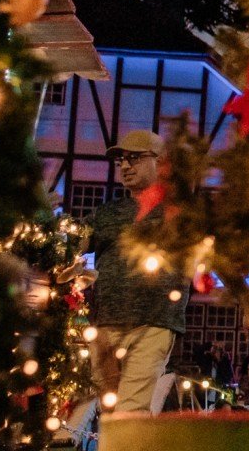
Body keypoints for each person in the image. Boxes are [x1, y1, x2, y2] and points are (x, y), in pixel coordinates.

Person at [72, 130, 188, 417]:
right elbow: (70, 244)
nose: (125, 165)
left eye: (135, 157)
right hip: (105, 327)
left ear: (161, 163)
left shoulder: (179, 214)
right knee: (111, 415)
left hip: (152, 324)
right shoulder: (107, 213)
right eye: (122, 160)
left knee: (130, 412)